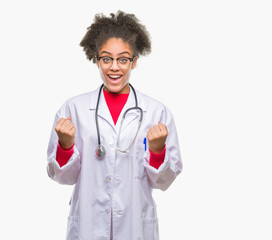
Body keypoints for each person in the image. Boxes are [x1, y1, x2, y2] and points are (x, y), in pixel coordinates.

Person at [47, 10, 182, 240]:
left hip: (135, 226)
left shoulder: (156, 112)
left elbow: (165, 182)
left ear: (134, 61)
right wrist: (65, 146)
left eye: (123, 59)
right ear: (96, 59)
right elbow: (62, 178)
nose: (114, 67)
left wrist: (158, 152)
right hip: (89, 225)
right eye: (106, 58)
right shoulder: (73, 109)